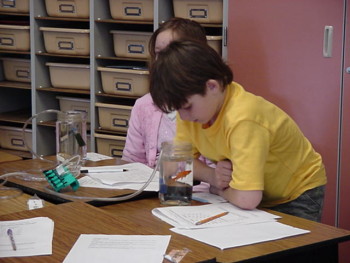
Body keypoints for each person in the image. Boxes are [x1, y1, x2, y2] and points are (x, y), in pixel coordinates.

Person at [149, 40, 327, 222]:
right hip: (254, 192)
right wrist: (213, 176)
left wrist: (219, 189)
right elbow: (176, 164)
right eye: (178, 109)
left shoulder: (243, 117)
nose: (183, 117)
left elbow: (247, 199)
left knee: (286, 248)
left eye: (187, 107)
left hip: (296, 192)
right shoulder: (193, 112)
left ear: (212, 86)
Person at [122, 18, 208, 168]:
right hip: (153, 190)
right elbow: (131, 164)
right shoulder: (144, 105)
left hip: (194, 190)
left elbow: (218, 178)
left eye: (172, 53)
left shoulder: (209, 108)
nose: (163, 62)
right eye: (159, 54)